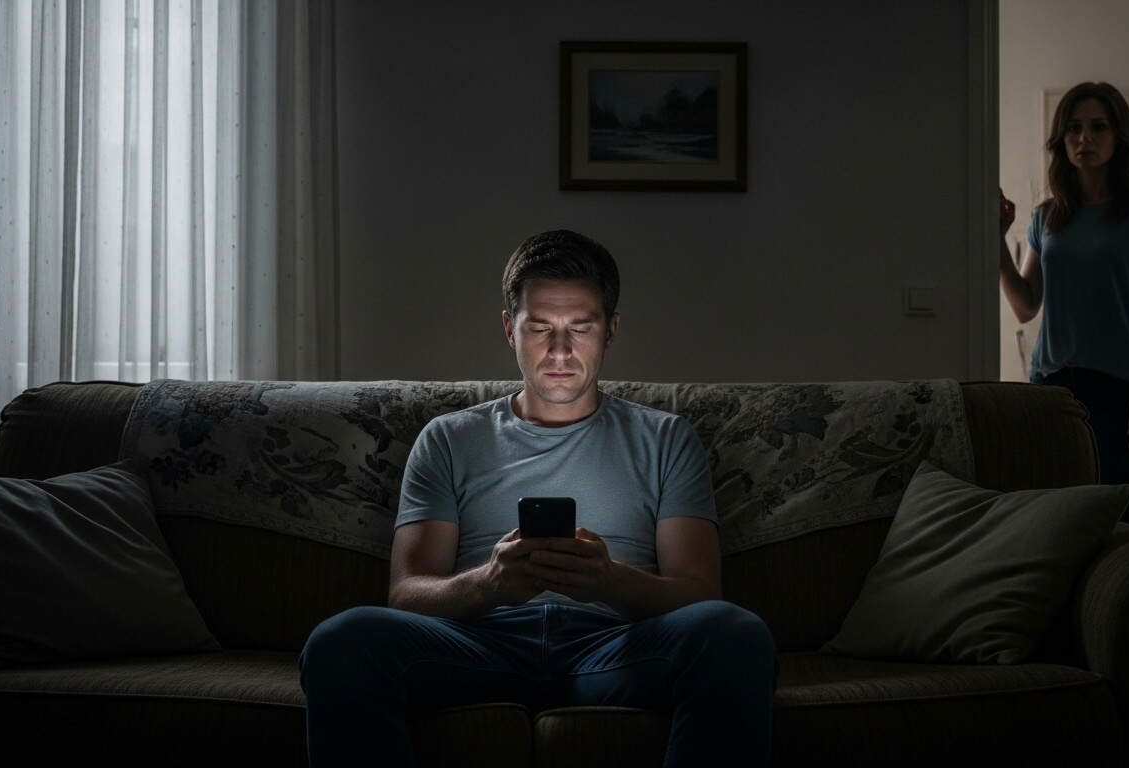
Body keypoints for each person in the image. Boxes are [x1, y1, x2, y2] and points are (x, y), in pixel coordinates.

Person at [299, 229, 778, 766]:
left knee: (737, 635)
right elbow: (406, 595)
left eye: (581, 328)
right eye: (540, 328)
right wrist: (488, 583)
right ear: (510, 328)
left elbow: (701, 593)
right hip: (480, 650)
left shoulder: (665, 438)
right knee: (340, 642)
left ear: (610, 331)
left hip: (617, 649)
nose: (559, 351)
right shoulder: (449, 438)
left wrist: (610, 580)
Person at [999, 81, 1129, 526]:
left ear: (1119, 136)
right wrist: (996, 240)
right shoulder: (1048, 215)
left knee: (1118, 532)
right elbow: (1025, 306)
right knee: (1055, 531)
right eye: (1074, 128)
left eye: (1098, 127)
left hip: (1123, 397)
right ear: (1061, 139)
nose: (1085, 138)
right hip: (1053, 393)